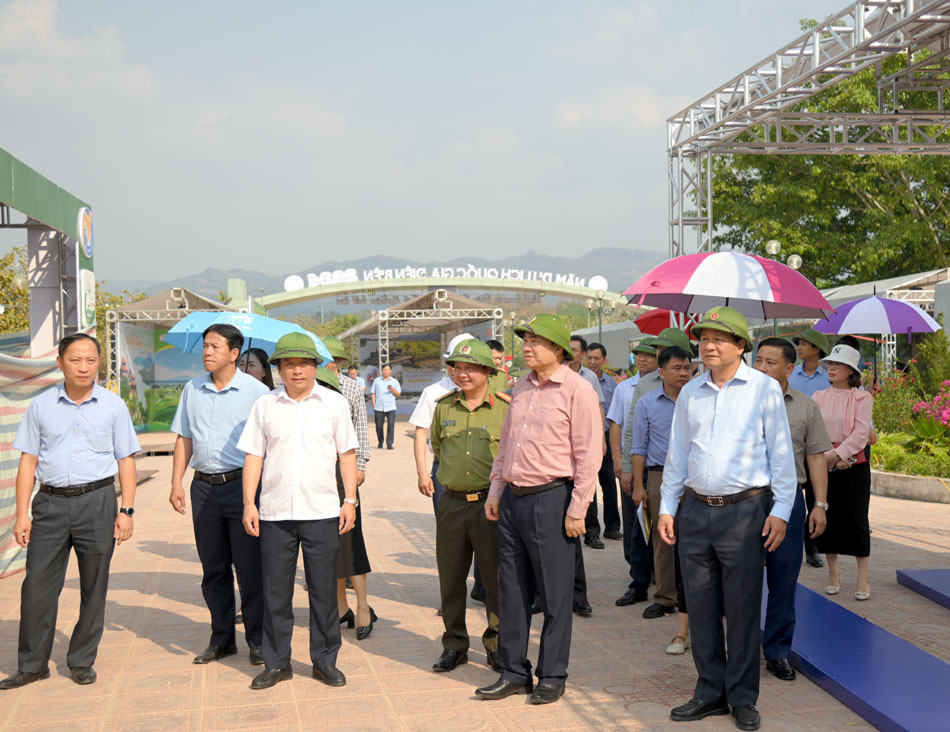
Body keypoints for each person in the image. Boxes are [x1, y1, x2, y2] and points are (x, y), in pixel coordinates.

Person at [657, 307, 796, 732]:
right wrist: (668, 505)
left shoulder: (763, 390)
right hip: (696, 511)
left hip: (746, 511)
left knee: (741, 610)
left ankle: (742, 697)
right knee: (699, 607)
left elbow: (782, 455)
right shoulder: (692, 392)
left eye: (720, 338)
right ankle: (709, 692)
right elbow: (678, 455)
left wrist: (781, 511)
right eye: (704, 338)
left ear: (741, 346)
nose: (709, 345)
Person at [1, 334, 139, 690]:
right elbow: (28, 461)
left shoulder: (112, 406)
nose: (83, 367)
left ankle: (80, 660)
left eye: (91, 360)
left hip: (98, 502)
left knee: (94, 585)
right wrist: (21, 514)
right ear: (60, 363)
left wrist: (126, 510)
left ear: (98, 363)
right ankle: (32, 665)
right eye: (76, 360)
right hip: (50, 504)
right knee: (37, 587)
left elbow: (126, 460)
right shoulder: (41, 406)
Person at [476, 313, 601, 705]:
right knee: (511, 590)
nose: (527, 346)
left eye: (536, 340)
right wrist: (496, 491)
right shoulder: (522, 388)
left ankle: (552, 674)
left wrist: (578, 508)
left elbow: (588, 455)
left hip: (552, 499)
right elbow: (507, 445)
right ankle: (514, 672)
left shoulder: (578, 391)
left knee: (555, 594)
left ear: (558, 349)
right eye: (525, 339)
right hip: (513, 499)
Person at [238, 333, 359, 690]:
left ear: (315, 367)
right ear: (277, 369)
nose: (296, 370)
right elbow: (254, 455)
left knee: (324, 591)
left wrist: (349, 499)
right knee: (276, 592)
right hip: (275, 513)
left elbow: (347, 453)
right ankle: (277, 663)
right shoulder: (265, 405)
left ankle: (325, 661)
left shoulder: (334, 403)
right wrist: (249, 502)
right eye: (288, 364)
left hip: (322, 510)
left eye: (303, 363)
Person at [169, 324, 270, 666]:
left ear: (234, 353)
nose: (207, 352)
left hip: (243, 488)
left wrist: (256, 494)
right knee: (213, 569)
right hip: (204, 489)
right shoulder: (192, 389)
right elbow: (184, 437)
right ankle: (222, 638)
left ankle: (257, 639)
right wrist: (176, 482)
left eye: (215, 346)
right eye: (205, 346)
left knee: (250, 568)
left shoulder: (257, 393)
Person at [754, 338, 832, 681]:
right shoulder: (737, 403)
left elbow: (815, 456)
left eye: (771, 363)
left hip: (789, 502)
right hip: (746, 501)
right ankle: (738, 648)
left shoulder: (805, 407)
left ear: (789, 368)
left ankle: (777, 651)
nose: (762, 368)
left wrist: (819, 504)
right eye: (758, 361)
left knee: (784, 581)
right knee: (741, 580)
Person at [429, 340, 509, 674]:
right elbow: (436, 446)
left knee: (495, 580)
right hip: (450, 504)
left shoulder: (506, 407)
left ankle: (496, 643)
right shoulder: (444, 407)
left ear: (488, 370)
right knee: (450, 579)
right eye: (456, 368)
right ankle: (455, 644)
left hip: (490, 505)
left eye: (469, 367)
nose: (461, 374)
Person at [631, 346, 692, 621]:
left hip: (696, 478)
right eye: (677, 368)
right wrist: (638, 486)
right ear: (662, 372)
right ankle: (665, 598)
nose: (683, 373)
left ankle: (695, 598)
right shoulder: (647, 402)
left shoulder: (698, 399)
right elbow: (639, 447)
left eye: (687, 368)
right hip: (660, 477)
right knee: (661, 539)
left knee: (696, 539)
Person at [321, 337, 375, 640]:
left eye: (333, 360)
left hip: (344, 473)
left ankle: (363, 605)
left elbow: (361, 427)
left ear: (340, 362)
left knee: (350, 539)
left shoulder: (351, 388)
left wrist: (361, 465)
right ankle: (341, 608)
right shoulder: (306, 389)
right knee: (328, 544)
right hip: (316, 478)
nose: (328, 365)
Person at [812, 344, 874, 601]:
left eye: (837, 364)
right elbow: (813, 432)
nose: (831, 368)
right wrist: (828, 458)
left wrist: (839, 455)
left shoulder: (862, 398)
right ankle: (833, 572)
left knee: (857, 520)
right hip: (823, 466)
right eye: (829, 364)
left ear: (851, 370)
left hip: (853, 467)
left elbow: (862, 433)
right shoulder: (818, 396)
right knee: (828, 518)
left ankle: (863, 574)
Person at [608, 337, 658, 607]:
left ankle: (659, 576)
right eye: (639, 354)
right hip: (633, 464)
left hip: (660, 469)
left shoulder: (682, 386)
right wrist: (619, 461)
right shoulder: (625, 388)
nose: (642, 359)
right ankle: (637, 573)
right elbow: (618, 427)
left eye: (649, 355)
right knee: (635, 522)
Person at [568, 334, 606, 549]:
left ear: (582, 354)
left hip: (584, 439)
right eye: (568, 348)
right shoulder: (557, 374)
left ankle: (592, 533)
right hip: (565, 443)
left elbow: (598, 407)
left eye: (575, 349)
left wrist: (600, 439)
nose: (571, 352)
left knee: (587, 486)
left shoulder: (589, 377)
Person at [585, 341, 622, 542]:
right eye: (589, 358)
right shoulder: (581, 380)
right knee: (588, 485)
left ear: (604, 361)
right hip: (588, 438)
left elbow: (615, 415)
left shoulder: (612, 384)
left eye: (597, 358)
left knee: (609, 485)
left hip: (607, 437)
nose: (592, 362)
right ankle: (592, 531)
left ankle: (612, 527)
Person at [789, 329, 831, 397]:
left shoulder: (830, 376)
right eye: (799, 344)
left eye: (803, 344)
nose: (798, 348)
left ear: (816, 349)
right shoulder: (791, 373)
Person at [371, 363, 400, 449]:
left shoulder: (394, 381)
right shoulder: (377, 380)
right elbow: (373, 393)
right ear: (382, 371)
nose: (386, 371)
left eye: (387, 370)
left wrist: (392, 390)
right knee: (379, 426)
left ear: (390, 371)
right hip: (379, 407)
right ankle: (380, 442)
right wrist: (374, 405)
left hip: (391, 407)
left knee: (391, 425)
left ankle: (389, 443)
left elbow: (398, 394)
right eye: (384, 370)